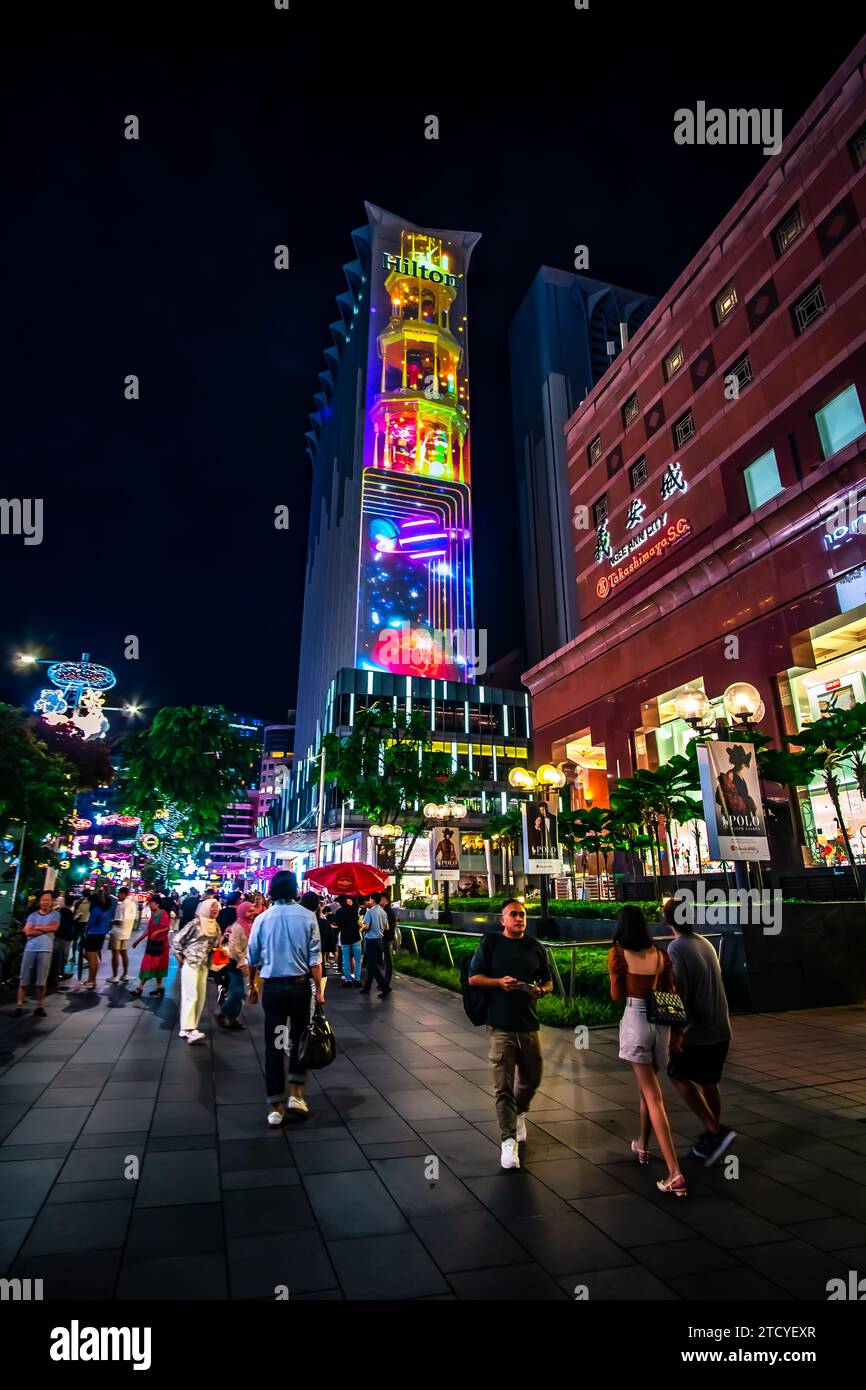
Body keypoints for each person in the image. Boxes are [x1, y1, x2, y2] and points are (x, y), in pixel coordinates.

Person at [468, 899, 552, 1170]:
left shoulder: (535, 947)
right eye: (513, 914)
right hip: (499, 1025)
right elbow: (473, 978)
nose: (519, 918)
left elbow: (548, 981)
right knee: (503, 1085)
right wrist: (498, 983)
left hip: (528, 1023)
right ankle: (508, 1141)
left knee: (532, 1078)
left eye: (523, 914)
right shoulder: (490, 944)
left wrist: (539, 990)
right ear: (502, 920)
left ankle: (519, 1113)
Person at [609, 905, 686, 1197]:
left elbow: (617, 995)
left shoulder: (618, 954)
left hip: (636, 1020)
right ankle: (642, 1144)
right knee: (647, 1089)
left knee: (653, 1096)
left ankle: (675, 1172)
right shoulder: (660, 955)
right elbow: (672, 991)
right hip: (661, 1025)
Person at [246, 869, 324, 1126]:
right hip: (299, 989)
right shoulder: (307, 916)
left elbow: (253, 957)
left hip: (274, 990)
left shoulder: (262, 919)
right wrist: (320, 991)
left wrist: (252, 986)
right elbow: (315, 958)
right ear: (294, 889)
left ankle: (276, 1106)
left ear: (272, 890)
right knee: (300, 1040)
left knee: (275, 1045)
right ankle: (297, 1095)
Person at [662, 900, 737, 1166]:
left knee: (676, 1074)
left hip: (698, 1031)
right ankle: (712, 1137)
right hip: (720, 1027)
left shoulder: (676, 947)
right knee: (709, 1081)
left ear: (667, 920)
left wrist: (677, 1030)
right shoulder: (705, 943)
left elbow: (680, 992)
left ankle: (715, 1131)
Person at [171, 898, 220, 1043]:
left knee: (200, 997)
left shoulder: (215, 926)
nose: (215, 910)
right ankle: (189, 1030)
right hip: (191, 962)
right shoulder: (195, 923)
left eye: (217, 907)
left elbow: (215, 944)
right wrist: (179, 956)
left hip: (204, 964)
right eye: (212, 907)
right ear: (204, 908)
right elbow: (177, 940)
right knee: (190, 995)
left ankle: (189, 1027)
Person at [15, 890, 60, 1017]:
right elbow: (27, 932)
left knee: (41, 980)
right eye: (43, 900)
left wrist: (37, 927)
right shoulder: (33, 915)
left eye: (47, 900)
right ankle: (19, 1006)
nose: (45, 902)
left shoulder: (55, 915)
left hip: (45, 949)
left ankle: (39, 1006)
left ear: (52, 902)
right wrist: (44, 929)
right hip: (30, 949)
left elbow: (54, 928)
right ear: (40, 901)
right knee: (23, 979)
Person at [214, 900, 255, 1030]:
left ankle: (232, 1018)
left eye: (252, 910)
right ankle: (223, 1013)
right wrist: (242, 961)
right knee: (237, 992)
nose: (252, 913)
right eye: (249, 910)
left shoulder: (249, 925)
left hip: (243, 961)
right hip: (235, 962)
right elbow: (234, 947)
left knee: (238, 992)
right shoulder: (238, 926)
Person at [129, 896, 172, 998]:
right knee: (156, 966)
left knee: (150, 965)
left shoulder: (163, 914)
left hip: (160, 945)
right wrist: (138, 941)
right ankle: (160, 987)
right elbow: (148, 930)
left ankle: (140, 987)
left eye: (151, 903)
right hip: (153, 944)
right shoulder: (154, 915)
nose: (149, 904)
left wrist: (157, 932)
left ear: (157, 904)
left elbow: (167, 927)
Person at [80, 885, 115, 990]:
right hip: (102, 933)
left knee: (92, 957)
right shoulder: (106, 909)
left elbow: (90, 923)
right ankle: (91, 979)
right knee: (92, 956)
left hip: (93, 934)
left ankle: (92, 980)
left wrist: (85, 927)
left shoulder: (95, 909)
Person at [360, 892, 390, 996]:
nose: (369, 901)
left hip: (371, 940)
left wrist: (360, 928)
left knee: (372, 965)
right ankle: (367, 987)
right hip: (379, 940)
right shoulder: (383, 912)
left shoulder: (370, 912)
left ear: (372, 900)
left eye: (370, 899)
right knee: (370, 964)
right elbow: (386, 927)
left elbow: (366, 926)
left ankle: (384, 987)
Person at [109, 887, 139, 983]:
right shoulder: (133, 904)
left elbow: (119, 921)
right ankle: (125, 974)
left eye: (119, 893)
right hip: (126, 933)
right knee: (124, 953)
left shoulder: (121, 906)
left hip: (117, 932)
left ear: (124, 894)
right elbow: (134, 918)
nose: (118, 896)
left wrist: (111, 922)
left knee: (115, 954)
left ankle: (115, 976)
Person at [332, 895, 363, 987]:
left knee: (346, 959)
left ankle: (348, 980)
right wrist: (352, 904)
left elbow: (337, 923)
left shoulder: (338, 912)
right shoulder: (353, 909)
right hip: (355, 937)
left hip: (345, 938)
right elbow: (357, 918)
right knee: (357, 960)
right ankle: (357, 979)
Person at [52, 891, 77, 985]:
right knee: (63, 956)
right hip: (65, 937)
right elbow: (70, 926)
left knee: (57, 956)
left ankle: (57, 974)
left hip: (57, 936)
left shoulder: (59, 911)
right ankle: (60, 974)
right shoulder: (69, 913)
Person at [381, 890, 399, 987]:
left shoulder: (387, 911)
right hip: (387, 938)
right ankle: (385, 981)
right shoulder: (386, 911)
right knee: (387, 961)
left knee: (388, 961)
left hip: (387, 938)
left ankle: (386, 982)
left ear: (387, 901)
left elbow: (387, 926)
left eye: (382, 899)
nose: (381, 901)